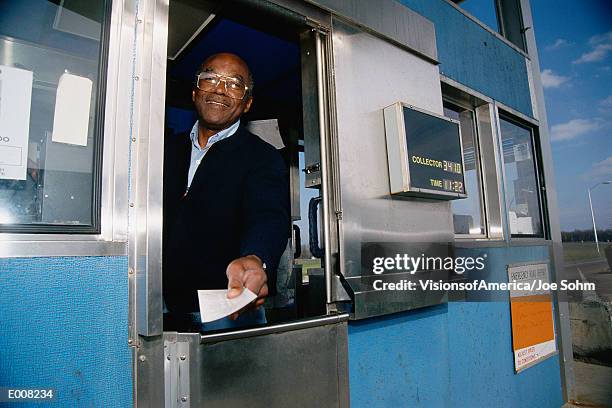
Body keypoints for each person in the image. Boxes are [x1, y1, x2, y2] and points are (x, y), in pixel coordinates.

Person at [163, 52, 290, 331]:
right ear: (196, 91)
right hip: (159, 310)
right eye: (210, 78)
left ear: (247, 104)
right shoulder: (163, 151)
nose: (220, 89)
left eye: (234, 84)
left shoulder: (263, 157)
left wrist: (256, 257)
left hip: (229, 312)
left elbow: (268, 215)